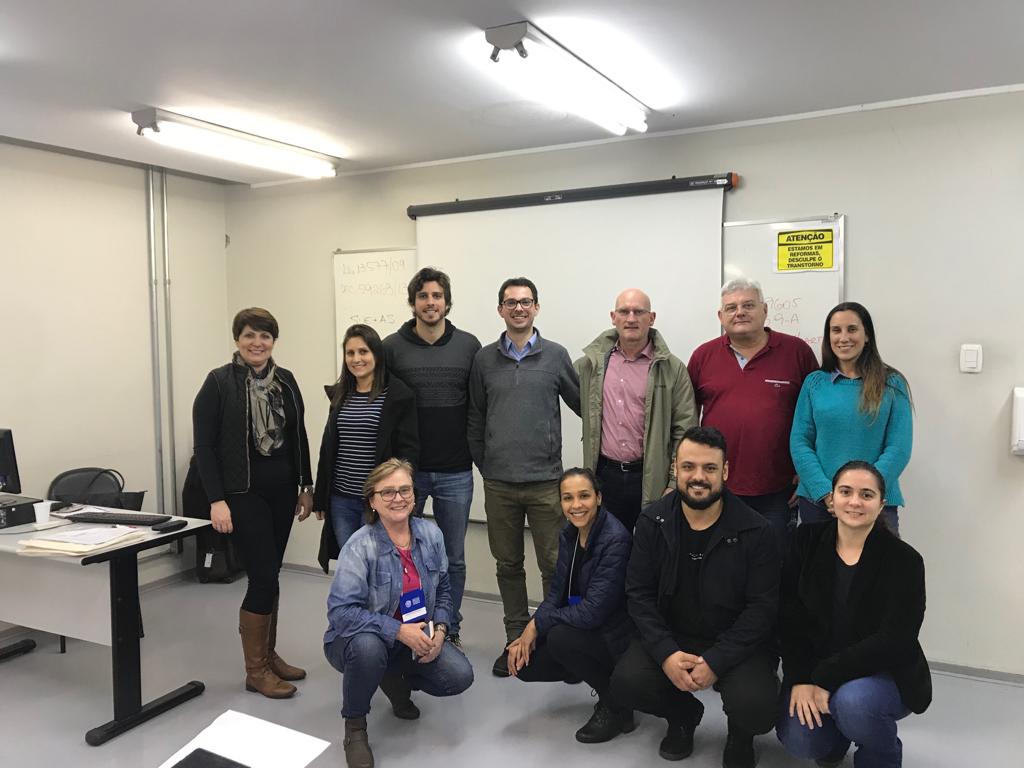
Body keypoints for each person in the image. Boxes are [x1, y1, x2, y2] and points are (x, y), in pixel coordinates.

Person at [610, 426, 779, 768]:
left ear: (725, 472)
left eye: (710, 468)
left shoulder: (758, 531)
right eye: (689, 467)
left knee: (759, 707)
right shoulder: (651, 521)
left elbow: (762, 608)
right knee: (627, 683)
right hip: (675, 635)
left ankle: (740, 734)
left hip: (734, 641)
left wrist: (717, 660)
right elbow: (638, 595)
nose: (698, 477)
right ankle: (683, 716)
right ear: (675, 468)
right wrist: (667, 653)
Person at [192, 307, 314, 699]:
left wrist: (306, 485)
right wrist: (216, 500)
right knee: (262, 576)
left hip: (282, 494)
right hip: (242, 495)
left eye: (264, 336)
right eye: (249, 335)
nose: (257, 343)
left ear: (273, 341)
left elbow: (299, 437)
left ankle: (269, 655)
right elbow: (204, 448)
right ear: (237, 340)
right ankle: (255, 670)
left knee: (272, 573)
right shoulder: (218, 382)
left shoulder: (287, 381)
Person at [776, 461, 931, 767]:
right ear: (831, 500)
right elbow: (789, 616)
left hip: (882, 673)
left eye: (866, 494)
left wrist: (824, 677)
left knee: (854, 704)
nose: (855, 502)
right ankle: (836, 737)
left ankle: (881, 755)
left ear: (881, 504)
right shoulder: (804, 541)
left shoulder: (905, 561)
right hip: (818, 670)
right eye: (845, 492)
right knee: (801, 738)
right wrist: (801, 678)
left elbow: (894, 640)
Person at [324, 458, 474, 768]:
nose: (398, 498)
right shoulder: (359, 546)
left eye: (405, 490)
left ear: (415, 496)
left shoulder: (430, 535)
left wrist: (442, 630)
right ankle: (355, 728)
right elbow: (341, 614)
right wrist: (398, 631)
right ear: (372, 501)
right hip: (353, 641)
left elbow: (444, 590)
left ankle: (393, 677)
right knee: (369, 648)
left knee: (459, 676)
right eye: (388, 491)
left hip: (412, 637)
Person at [467, 276, 581, 678]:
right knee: (508, 565)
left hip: (546, 482)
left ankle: (552, 639)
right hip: (499, 483)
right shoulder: (483, 360)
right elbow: (476, 417)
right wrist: (487, 463)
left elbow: (585, 405)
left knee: (554, 565)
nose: (519, 308)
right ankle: (515, 638)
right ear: (500, 309)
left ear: (536, 307)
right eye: (511, 302)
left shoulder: (555, 355)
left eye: (526, 301)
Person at [383, 267, 481, 647]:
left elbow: (477, 405)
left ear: (446, 301)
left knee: (452, 558)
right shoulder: (392, 347)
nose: (430, 302)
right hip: (409, 472)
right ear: (413, 303)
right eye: (422, 296)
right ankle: (410, 629)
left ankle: (448, 628)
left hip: (456, 470)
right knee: (405, 555)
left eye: (436, 296)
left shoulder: (469, 346)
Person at [506, 468, 635, 744]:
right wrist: (530, 627)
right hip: (583, 625)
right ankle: (593, 674)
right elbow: (557, 593)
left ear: (598, 498)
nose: (576, 505)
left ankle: (615, 703)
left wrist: (540, 625)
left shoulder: (615, 539)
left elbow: (592, 612)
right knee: (526, 663)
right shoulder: (570, 534)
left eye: (584, 496)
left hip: (615, 633)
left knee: (559, 638)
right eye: (568, 498)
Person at [688, 278, 818, 552]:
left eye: (748, 305)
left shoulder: (797, 353)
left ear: (765, 310)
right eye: (731, 307)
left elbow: (816, 419)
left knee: (772, 566)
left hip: (777, 490)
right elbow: (687, 422)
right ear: (721, 316)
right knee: (720, 566)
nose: (740, 312)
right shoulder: (703, 356)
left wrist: (806, 473)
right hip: (717, 488)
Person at [576, 288, 696, 534]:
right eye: (624, 311)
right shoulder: (591, 364)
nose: (631, 318)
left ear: (651, 318)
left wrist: (674, 482)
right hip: (603, 476)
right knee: (606, 553)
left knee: (649, 554)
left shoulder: (672, 369)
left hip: (650, 478)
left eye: (639, 312)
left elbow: (684, 431)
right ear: (613, 316)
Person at [790, 302, 913, 534]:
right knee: (817, 570)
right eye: (836, 330)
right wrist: (828, 493)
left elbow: (899, 448)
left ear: (867, 335)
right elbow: (800, 442)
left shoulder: (892, 383)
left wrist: (862, 494)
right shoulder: (814, 383)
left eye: (852, 329)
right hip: (819, 503)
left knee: (879, 570)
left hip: (874, 505)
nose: (844, 337)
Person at [314, 324, 419, 572]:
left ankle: (379, 613)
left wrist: (399, 495)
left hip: (378, 500)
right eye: (350, 353)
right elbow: (328, 449)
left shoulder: (397, 395)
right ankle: (354, 612)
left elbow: (409, 451)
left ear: (376, 355)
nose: (356, 359)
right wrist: (321, 496)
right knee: (350, 568)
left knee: (380, 569)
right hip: (341, 499)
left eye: (363, 351)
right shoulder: (341, 394)